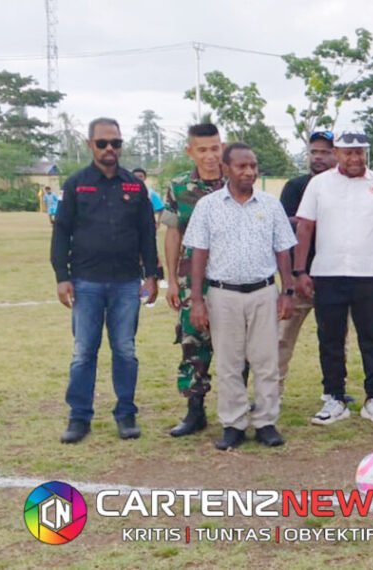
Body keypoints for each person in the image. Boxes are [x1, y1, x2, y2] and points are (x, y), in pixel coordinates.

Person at [50, 117, 159, 443]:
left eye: (116, 143)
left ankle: (126, 414)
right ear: (90, 145)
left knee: (125, 350)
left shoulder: (134, 186)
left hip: (127, 283)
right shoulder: (76, 184)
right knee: (84, 352)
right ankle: (79, 417)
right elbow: (62, 233)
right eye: (102, 143)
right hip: (86, 282)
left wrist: (152, 275)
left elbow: (147, 235)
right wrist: (61, 276)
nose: (110, 149)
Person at [182, 143, 297, 450]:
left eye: (253, 166)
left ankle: (265, 422)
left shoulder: (270, 205)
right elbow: (198, 254)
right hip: (223, 295)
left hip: (263, 292)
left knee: (266, 361)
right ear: (225, 169)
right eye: (242, 166)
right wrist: (197, 299)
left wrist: (286, 292)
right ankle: (233, 424)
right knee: (229, 363)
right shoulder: (208, 206)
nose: (249, 172)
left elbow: (283, 250)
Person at [294, 130, 373, 426]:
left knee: (371, 337)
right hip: (327, 274)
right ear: (337, 153)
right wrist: (299, 270)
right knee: (329, 338)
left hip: (369, 275)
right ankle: (334, 397)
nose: (354, 158)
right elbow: (305, 227)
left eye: (359, 152)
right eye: (348, 152)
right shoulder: (319, 184)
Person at [162, 123, 226, 437]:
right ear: (190, 151)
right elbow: (174, 233)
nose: (210, 155)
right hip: (193, 279)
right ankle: (194, 410)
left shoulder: (237, 180)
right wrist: (172, 281)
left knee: (234, 344)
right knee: (193, 341)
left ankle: (234, 409)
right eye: (202, 149)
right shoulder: (180, 187)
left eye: (215, 148)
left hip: (232, 276)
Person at [277, 131, 338, 395]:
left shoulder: (343, 188)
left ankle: (334, 391)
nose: (318, 157)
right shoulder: (295, 187)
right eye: (314, 152)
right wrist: (291, 277)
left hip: (334, 276)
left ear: (336, 154)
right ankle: (271, 392)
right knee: (281, 338)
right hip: (297, 276)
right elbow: (283, 231)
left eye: (325, 152)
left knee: (334, 340)